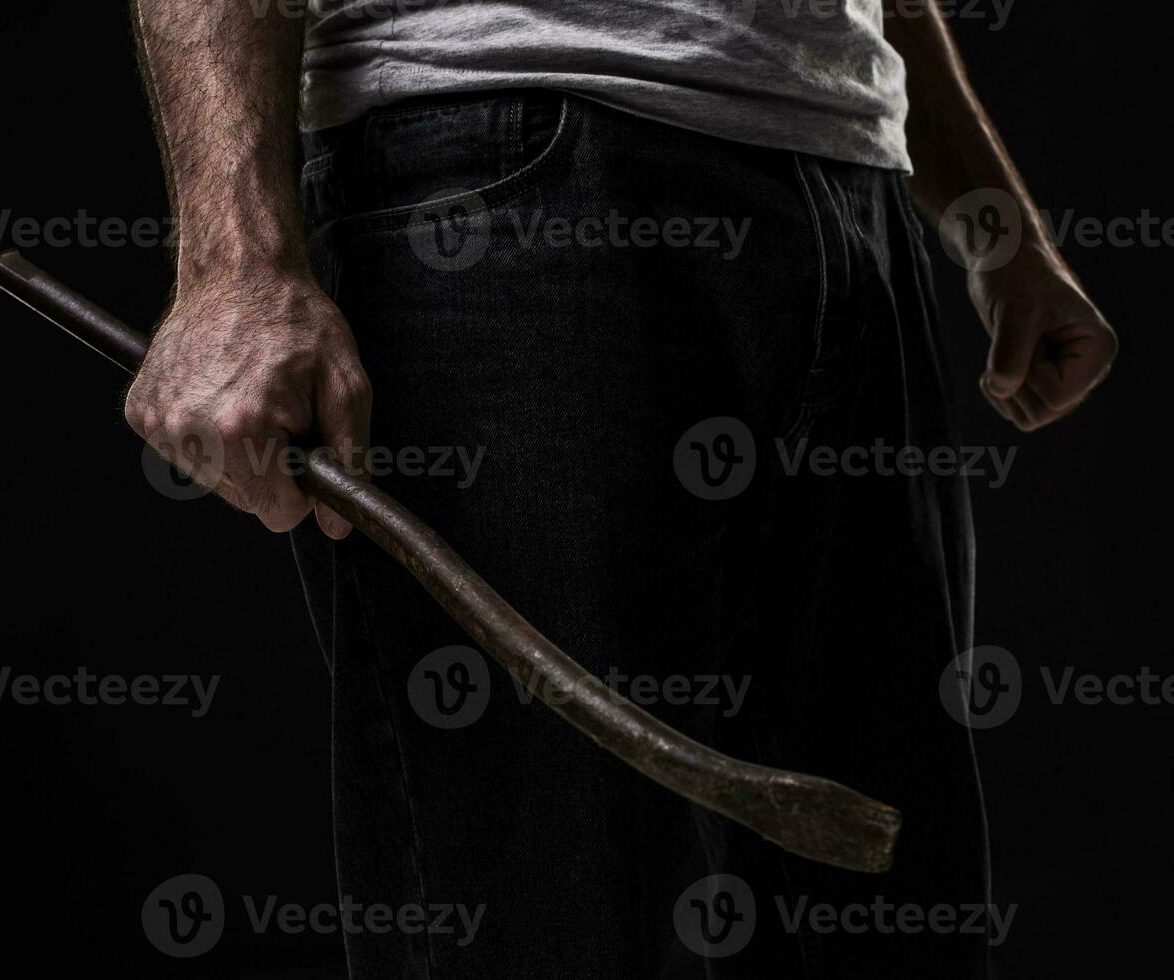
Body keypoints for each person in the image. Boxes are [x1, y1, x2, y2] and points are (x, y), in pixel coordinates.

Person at [124, 2, 1116, 976]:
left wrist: (996, 223)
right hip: (516, 170)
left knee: (897, 918)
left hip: (847, 188)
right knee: (563, 922)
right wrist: (235, 257)